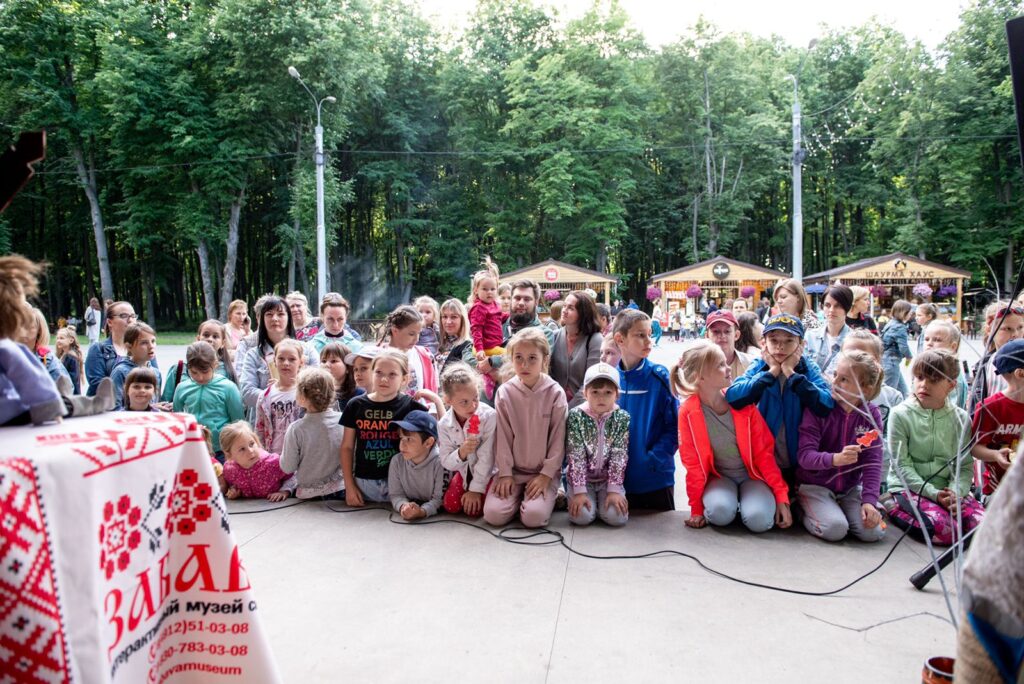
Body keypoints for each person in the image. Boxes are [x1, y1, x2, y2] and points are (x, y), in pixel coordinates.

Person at [673, 341, 791, 533]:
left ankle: (746, 504)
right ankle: (732, 503)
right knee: (719, 513)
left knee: (759, 520)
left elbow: (764, 454)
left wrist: (780, 496)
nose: (728, 368)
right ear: (699, 377)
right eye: (720, 365)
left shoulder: (741, 403)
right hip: (720, 477)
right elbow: (692, 464)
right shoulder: (687, 412)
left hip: (752, 477)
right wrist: (696, 509)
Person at [888, 350, 981, 544]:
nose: (924, 384)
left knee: (984, 528)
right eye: (920, 377)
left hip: (947, 491)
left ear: (951, 385)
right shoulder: (900, 415)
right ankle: (890, 504)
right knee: (946, 531)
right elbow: (901, 465)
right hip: (908, 488)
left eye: (934, 379)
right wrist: (933, 494)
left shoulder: (961, 418)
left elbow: (963, 466)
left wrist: (955, 493)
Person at [726, 314, 834, 479]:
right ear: (764, 343)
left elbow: (825, 405)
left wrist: (792, 374)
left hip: (801, 462)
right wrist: (771, 373)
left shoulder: (807, 368)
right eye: (774, 340)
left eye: (789, 341)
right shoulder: (760, 366)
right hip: (764, 461)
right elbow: (734, 397)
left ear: (801, 345)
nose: (780, 347)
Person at [795, 350, 886, 542]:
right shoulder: (819, 407)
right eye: (835, 374)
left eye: (843, 379)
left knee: (873, 532)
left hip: (850, 488)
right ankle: (801, 509)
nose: (834, 382)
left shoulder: (872, 415)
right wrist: (835, 459)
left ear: (865, 389)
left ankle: (844, 509)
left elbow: (873, 462)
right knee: (836, 529)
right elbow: (804, 457)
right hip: (814, 485)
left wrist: (869, 501)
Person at [483, 328, 567, 528]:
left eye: (532, 358)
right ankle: (519, 498)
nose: (524, 364)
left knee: (533, 518)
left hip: (543, 472)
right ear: (511, 358)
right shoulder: (505, 392)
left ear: (544, 360)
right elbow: (502, 436)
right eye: (518, 357)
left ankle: (551, 493)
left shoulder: (555, 393)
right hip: (512, 471)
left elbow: (558, 439)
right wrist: (504, 473)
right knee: (493, 515)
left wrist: (546, 475)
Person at [341, 350, 429, 506]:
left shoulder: (411, 406)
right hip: (363, 484)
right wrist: (349, 486)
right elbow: (347, 447)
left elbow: (431, 442)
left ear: (404, 379)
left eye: (392, 374)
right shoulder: (355, 405)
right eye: (379, 372)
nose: (384, 379)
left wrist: (437, 401)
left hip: (402, 484)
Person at [613, 309, 678, 511]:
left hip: (655, 480)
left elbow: (675, 427)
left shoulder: (660, 377)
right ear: (620, 339)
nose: (648, 341)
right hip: (616, 483)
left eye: (650, 334)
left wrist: (653, 459)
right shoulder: (608, 380)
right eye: (640, 335)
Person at [565, 362, 630, 527]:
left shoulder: (622, 418)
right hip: (583, 480)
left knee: (617, 518)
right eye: (595, 392)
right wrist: (579, 492)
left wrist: (614, 490)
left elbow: (619, 454)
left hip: (607, 479)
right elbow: (576, 454)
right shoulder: (576, 416)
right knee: (581, 517)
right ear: (585, 393)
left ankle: (602, 504)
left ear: (617, 394)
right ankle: (586, 501)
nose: (601, 397)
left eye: (608, 392)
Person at [842, 329, 904, 489]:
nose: (854, 361)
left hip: (878, 478)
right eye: (848, 355)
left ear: (876, 361)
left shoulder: (892, 397)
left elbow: (896, 442)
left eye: (861, 355)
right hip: (842, 477)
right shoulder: (834, 396)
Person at [238, 295, 319, 412]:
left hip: (301, 419)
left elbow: (317, 385)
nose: (275, 319)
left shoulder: (308, 350)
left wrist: (285, 391)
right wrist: (275, 393)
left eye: (280, 314)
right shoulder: (253, 355)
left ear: (289, 318)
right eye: (269, 314)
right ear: (262, 319)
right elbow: (247, 393)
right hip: (265, 420)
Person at [438, 363, 496, 517]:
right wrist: (462, 452)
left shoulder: (489, 417)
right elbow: (445, 461)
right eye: (464, 402)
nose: (473, 405)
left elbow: (487, 457)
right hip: (464, 473)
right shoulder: (444, 425)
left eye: (476, 398)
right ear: (448, 400)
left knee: (476, 510)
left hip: (488, 472)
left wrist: (475, 490)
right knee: (451, 506)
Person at [280, 367, 346, 500]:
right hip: (341, 490)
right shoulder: (344, 420)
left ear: (302, 397)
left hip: (309, 494)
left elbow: (288, 467)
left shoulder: (296, 429)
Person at [172, 341, 245, 459]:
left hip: (222, 450)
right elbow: (177, 419)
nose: (200, 377)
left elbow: (239, 422)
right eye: (194, 372)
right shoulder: (181, 388)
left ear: (215, 364)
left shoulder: (228, 388)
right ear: (188, 367)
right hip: (192, 446)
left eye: (205, 372)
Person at [971, 338, 1024, 496]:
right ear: (1020, 373)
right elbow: (975, 448)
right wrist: (995, 455)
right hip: (999, 489)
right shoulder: (989, 408)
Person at [162, 319, 238, 404]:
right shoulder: (178, 369)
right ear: (198, 338)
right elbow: (165, 401)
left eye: (215, 336)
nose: (210, 339)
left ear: (223, 343)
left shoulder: (227, 371)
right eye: (206, 335)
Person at [550, 291, 603, 409]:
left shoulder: (595, 339)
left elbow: (591, 381)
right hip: (554, 405)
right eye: (564, 306)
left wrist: (570, 408)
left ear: (583, 313)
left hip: (584, 408)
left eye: (571, 308)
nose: (564, 310)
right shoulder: (554, 336)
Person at [388, 410, 445, 519]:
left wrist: (422, 512)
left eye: (409, 439)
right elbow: (396, 494)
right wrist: (404, 507)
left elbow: (439, 500)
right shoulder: (397, 461)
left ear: (428, 442)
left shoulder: (440, 463)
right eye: (401, 438)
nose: (402, 445)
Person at [969, 300, 1024, 413]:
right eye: (1007, 328)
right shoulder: (982, 366)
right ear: (990, 330)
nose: (1016, 334)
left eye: (1020, 327)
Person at [255, 338, 306, 455]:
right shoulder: (265, 396)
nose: (286, 363)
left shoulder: (306, 393)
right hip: (273, 457)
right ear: (274, 361)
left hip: (301, 456)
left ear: (301, 362)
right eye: (281, 359)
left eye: (292, 359)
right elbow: (259, 430)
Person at [220, 421, 292, 502]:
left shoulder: (273, 462)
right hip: (249, 511)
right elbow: (232, 485)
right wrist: (234, 491)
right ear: (230, 455)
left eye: (251, 444)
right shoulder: (229, 470)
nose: (250, 451)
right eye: (242, 449)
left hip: (277, 509)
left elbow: (293, 475)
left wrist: (284, 491)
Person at [85, 301, 144, 396]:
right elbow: (98, 385)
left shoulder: (144, 347)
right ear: (109, 322)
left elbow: (154, 379)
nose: (130, 320)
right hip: (108, 408)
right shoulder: (98, 349)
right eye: (124, 316)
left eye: (133, 316)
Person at [379, 304, 438, 398]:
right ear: (395, 330)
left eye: (419, 333)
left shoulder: (425, 355)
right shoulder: (377, 356)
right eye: (411, 334)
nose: (417, 339)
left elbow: (433, 391)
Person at [804, 284, 853, 380]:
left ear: (847, 308)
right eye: (827, 305)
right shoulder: (810, 336)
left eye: (838, 306)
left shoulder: (854, 339)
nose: (831, 310)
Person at [109, 322, 161, 411]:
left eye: (153, 341)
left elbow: (155, 400)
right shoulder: (120, 372)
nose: (151, 346)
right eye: (144, 343)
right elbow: (114, 407)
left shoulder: (156, 372)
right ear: (129, 346)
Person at [467, 257, 505, 371]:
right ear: (476, 290)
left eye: (492, 289)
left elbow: (497, 318)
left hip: (494, 345)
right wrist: (479, 349)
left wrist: (510, 316)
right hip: (485, 347)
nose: (489, 292)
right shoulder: (479, 307)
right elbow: (476, 329)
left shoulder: (494, 304)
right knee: (511, 354)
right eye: (485, 289)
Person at [922, 319, 968, 409]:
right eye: (926, 339)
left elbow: (951, 409)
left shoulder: (951, 376)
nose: (929, 343)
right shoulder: (926, 368)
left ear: (953, 347)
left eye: (937, 340)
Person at [704, 310, 752, 382]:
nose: (722, 336)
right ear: (707, 336)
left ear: (736, 335)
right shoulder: (699, 366)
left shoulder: (750, 364)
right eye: (716, 332)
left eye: (727, 331)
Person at [881, 299, 914, 396]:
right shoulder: (900, 327)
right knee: (890, 394)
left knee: (903, 393)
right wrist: (909, 356)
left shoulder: (891, 323)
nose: (910, 315)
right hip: (891, 362)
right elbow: (903, 346)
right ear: (904, 313)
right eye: (909, 313)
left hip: (887, 361)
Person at [434, 298, 477, 374]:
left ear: (462, 320)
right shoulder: (435, 342)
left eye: (453, 317)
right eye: (444, 317)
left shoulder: (468, 346)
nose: (448, 321)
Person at [320, 342, 360, 413]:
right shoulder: (316, 392)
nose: (326, 365)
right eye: (323, 361)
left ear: (347, 368)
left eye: (333, 361)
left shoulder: (359, 394)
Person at [55, 326, 84, 395]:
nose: (58, 340)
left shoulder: (70, 357)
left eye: (62, 338)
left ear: (71, 340)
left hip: (70, 395)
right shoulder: (64, 354)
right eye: (57, 338)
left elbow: (73, 380)